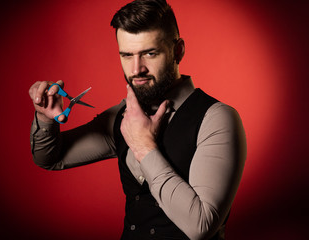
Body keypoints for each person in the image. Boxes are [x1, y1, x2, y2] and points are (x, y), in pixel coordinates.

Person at [28, 0, 246, 239]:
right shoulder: (123, 116)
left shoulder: (216, 118)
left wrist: (144, 147)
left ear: (178, 51)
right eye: (126, 55)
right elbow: (51, 158)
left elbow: (201, 226)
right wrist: (46, 118)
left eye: (150, 53)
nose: (136, 69)